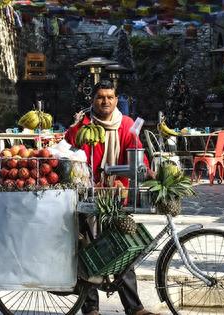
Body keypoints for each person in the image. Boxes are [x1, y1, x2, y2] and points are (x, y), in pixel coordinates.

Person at [64, 80, 158, 315]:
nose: (105, 101)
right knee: (85, 249)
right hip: (85, 195)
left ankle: (134, 308)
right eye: (100, 97)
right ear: (92, 101)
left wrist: (147, 175)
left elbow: (139, 160)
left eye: (110, 97)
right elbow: (66, 152)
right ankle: (90, 308)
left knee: (123, 248)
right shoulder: (82, 127)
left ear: (117, 100)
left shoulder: (127, 126)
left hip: (116, 197)